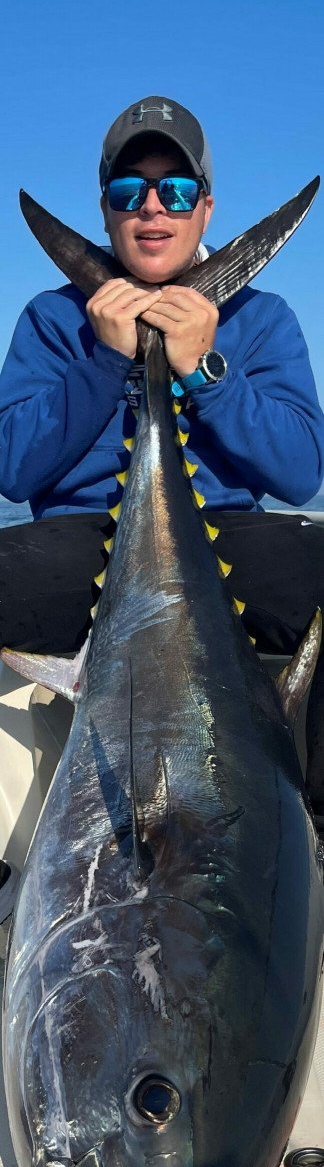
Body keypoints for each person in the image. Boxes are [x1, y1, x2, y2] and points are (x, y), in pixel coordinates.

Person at [0, 95, 324, 919]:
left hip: (227, 554)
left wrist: (204, 365)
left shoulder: (261, 317)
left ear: (206, 205)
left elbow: (297, 467)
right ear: (104, 209)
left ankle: (306, 836)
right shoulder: (51, 319)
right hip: (77, 547)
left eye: (175, 190)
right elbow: (13, 468)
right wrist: (104, 362)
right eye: (128, 191)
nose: (153, 208)